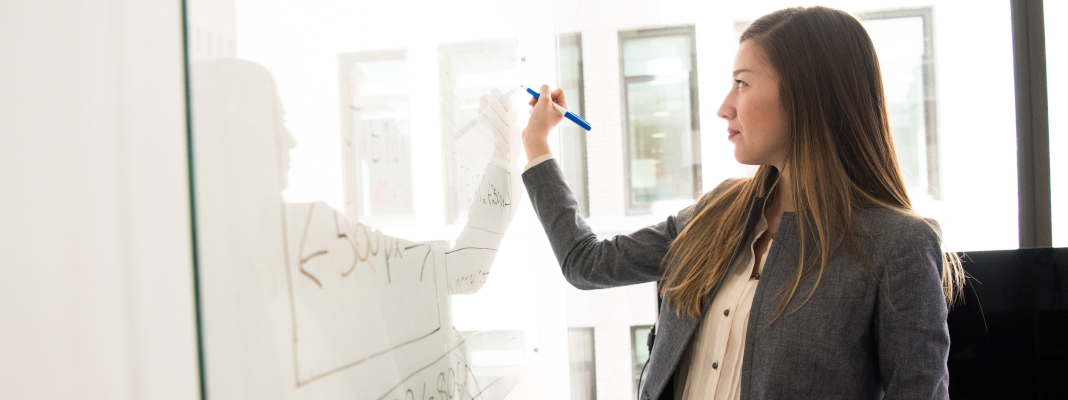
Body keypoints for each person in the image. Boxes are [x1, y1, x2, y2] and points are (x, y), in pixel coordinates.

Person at [495, 6, 964, 400]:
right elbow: (586, 263)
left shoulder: (896, 245)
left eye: (742, 82)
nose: (724, 106)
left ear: (808, 94)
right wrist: (537, 145)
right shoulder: (718, 212)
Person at [190, 58, 524, 399]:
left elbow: (463, 269)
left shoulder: (317, 231)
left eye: (283, 121)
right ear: (220, 137)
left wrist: (503, 156)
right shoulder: (189, 276)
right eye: (268, 121)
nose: (290, 139)